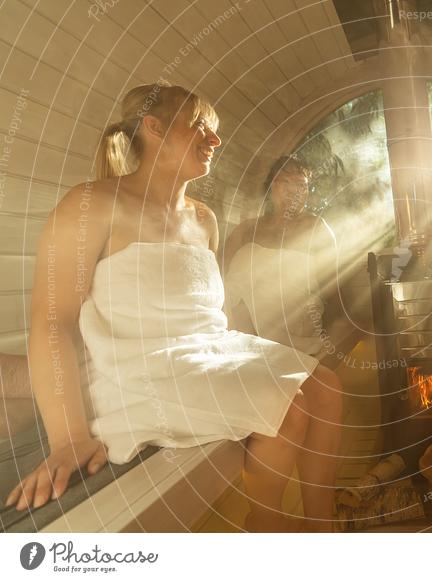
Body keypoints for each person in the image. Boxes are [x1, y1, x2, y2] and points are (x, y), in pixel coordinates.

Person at [2, 83, 342, 533]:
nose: (216, 140)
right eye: (202, 126)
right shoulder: (91, 205)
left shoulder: (204, 219)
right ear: (154, 126)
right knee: (290, 408)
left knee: (329, 386)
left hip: (204, 353)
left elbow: (205, 316)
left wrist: (250, 353)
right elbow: (52, 324)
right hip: (139, 373)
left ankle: (323, 527)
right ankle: (269, 527)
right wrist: (68, 438)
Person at [221, 156, 338, 356]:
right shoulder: (246, 230)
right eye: (286, 182)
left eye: (301, 184)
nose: (294, 190)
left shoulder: (316, 228)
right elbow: (219, 280)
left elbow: (333, 290)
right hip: (237, 329)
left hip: (294, 328)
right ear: (271, 186)